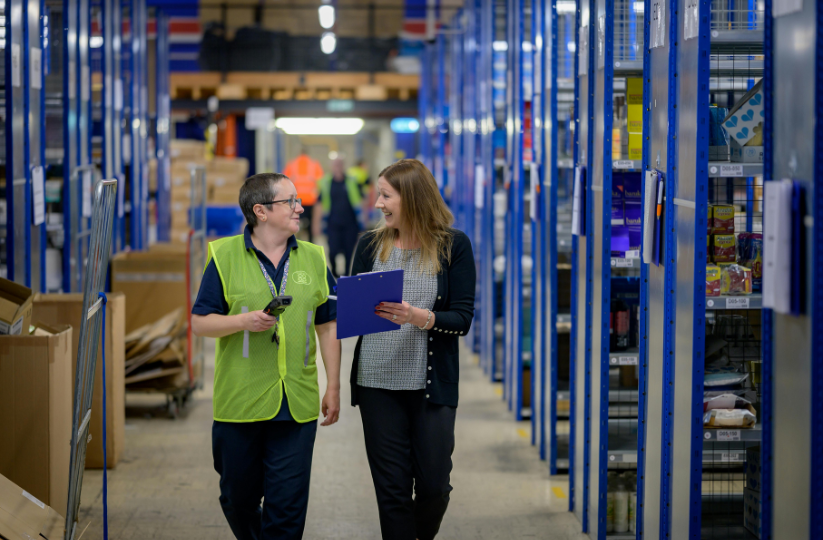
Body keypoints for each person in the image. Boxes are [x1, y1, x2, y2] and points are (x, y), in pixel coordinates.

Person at [191, 173, 341, 540]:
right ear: (261, 211)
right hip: (240, 401)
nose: (299, 206)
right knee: (237, 499)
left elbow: (327, 325)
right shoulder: (224, 256)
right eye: (289, 201)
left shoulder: (313, 258)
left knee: (287, 506)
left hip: (297, 401)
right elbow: (199, 323)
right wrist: (242, 321)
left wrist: (333, 385)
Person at [348, 159, 476, 540]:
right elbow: (354, 314)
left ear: (413, 198)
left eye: (386, 196)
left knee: (435, 486)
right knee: (393, 491)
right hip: (377, 383)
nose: (378, 203)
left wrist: (419, 316)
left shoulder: (454, 246)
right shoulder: (369, 245)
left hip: (430, 388)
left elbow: (463, 318)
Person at [313, 157, 363, 277]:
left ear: (343, 166)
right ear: (331, 166)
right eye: (335, 164)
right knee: (332, 251)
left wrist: (364, 220)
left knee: (349, 252)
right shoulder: (326, 182)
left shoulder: (351, 181)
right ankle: (335, 271)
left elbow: (361, 201)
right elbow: (319, 205)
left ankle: (346, 276)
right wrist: (316, 224)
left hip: (350, 224)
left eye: (340, 164)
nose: (337, 167)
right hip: (332, 224)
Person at [283, 148, 324, 243]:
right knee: (310, 225)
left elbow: (284, 181)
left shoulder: (292, 164)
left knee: (295, 224)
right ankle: (310, 243)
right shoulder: (314, 164)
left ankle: (295, 243)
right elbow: (320, 182)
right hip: (311, 200)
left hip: (296, 200)